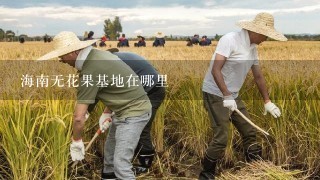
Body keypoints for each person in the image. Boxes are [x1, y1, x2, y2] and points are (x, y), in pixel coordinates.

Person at [37, 31, 152, 179]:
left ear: (73, 52)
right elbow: (117, 86)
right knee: (109, 158)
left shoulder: (90, 70)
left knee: (121, 165)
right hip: (123, 111)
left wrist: (76, 142)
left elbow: (78, 117)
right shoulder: (99, 56)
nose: (61, 60)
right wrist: (107, 111)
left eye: (62, 55)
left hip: (134, 114)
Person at [200, 12, 287, 179]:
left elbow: (258, 76)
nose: (266, 39)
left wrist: (267, 101)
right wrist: (226, 95)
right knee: (221, 138)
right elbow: (215, 69)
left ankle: (254, 170)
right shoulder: (230, 40)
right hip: (215, 93)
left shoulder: (252, 48)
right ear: (256, 32)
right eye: (266, 35)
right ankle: (206, 174)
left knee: (249, 132)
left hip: (233, 94)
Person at [87, 51, 166, 175]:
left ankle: (145, 164)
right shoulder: (115, 61)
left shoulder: (112, 64)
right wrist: (107, 112)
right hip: (147, 87)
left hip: (152, 90)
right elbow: (117, 91)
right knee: (125, 127)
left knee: (141, 126)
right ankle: (121, 163)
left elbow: (117, 91)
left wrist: (84, 115)